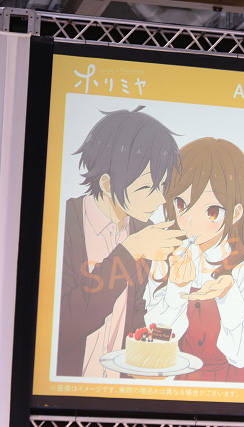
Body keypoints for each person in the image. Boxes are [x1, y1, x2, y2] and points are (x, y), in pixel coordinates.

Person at [58, 106, 184, 377]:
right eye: (146, 188)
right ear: (106, 184)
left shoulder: (142, 230)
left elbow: (134, 312)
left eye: (162, 186)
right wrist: (130, 251)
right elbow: (65, 325)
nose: (160, 199)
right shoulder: (64, 223)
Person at [144, 137, 244, 382]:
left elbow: (242, 354)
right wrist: (176, 289)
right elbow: (155, 341)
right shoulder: (165, 256)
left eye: (211, 211)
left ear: (236, 212)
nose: (191, 221)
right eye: (181, 204)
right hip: (177, 383)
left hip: (231, 386)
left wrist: (227, 296)